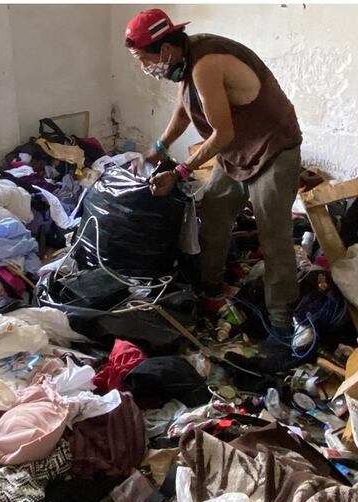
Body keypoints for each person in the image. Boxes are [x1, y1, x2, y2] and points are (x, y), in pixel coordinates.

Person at [125, 9, 303, 340]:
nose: (144, 67)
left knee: (274, 237)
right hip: (238, 150)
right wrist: (157, 149)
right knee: (213, 213)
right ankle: (209, 290)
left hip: (272, 149)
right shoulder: (187, 58)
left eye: (143, 58)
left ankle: (281, 324)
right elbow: (184, 110)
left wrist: (178, 173)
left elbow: (222, 134)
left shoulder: (206, 64)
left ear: (164, 48)